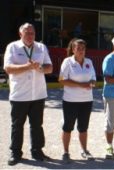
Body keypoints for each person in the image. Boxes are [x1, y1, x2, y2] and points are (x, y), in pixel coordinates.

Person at [3, 23, 53, 166]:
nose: (30, 36)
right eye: (27, 33)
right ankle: (15, 153)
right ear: (20, 34)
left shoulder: (41, 47)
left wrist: (40, 68)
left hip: (38, 94)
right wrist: (28, 66)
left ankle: (37, 151)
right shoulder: (12, 47)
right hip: (20, 95)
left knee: (37, 125)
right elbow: (8, 68)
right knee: (17, 125)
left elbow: (49, 68)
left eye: (32, 33)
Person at [58, 38, 96, 162]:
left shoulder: (89, 62)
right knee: (68, 127)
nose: (80, 51)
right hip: (70, 101)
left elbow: (94, 79)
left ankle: (85, 150)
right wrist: (81, 85)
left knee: (83, 128)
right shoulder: (67, 62)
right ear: (73, 49)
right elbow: (62, 80)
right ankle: (65, 152)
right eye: (78, 48)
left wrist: (92, 83)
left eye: (83, 48)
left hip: (86, 101)